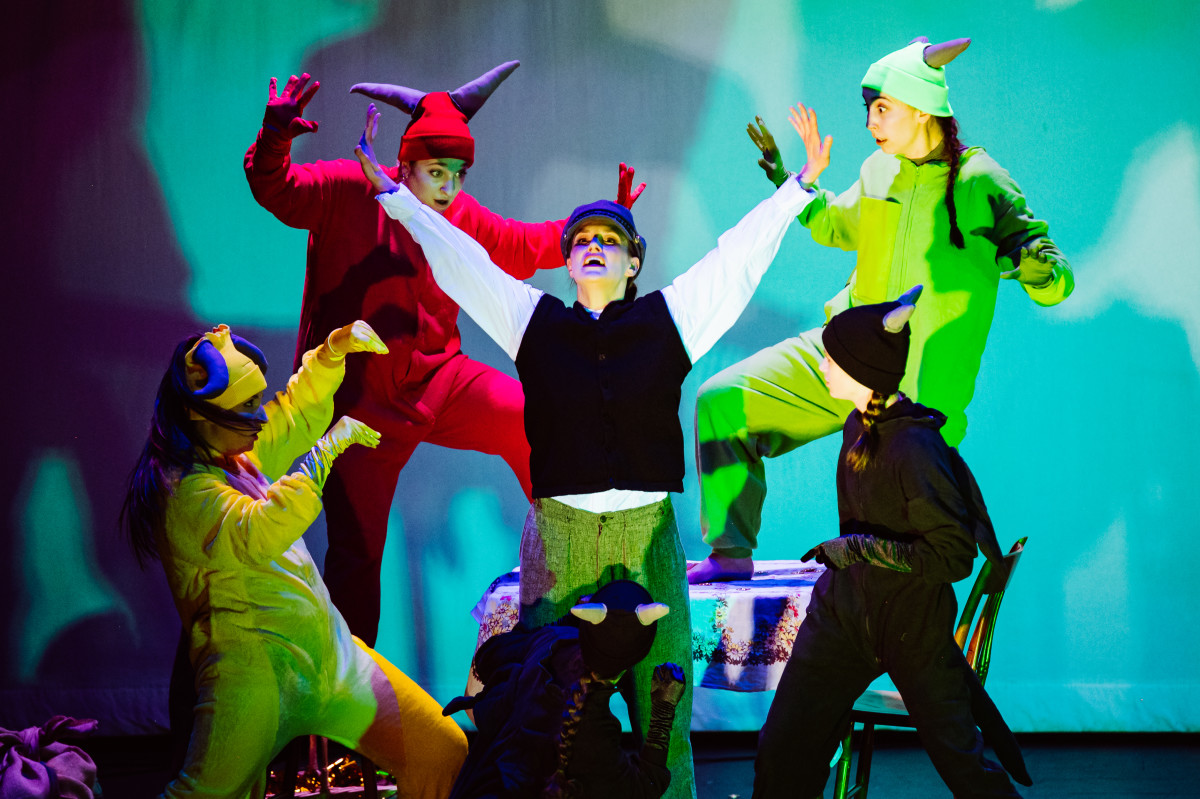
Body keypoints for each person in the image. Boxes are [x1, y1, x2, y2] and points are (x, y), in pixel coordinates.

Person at [354, 103, 827, 799]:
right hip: (561, 534)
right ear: (569, 262)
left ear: (634, 261)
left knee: (662, 701)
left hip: (646, 533)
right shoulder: (533, 321)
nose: (594, 246)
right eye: (580, 240)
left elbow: (735, 261)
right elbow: (463, 262)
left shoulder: (671, 318)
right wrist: (397, 198)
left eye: (610, 238)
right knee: (548, 710)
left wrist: (798, 187)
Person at [244, 62, 643, 644]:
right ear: (403, 166)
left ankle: (574, 561)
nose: (449, 189)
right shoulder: (351, 189)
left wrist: (605, 225)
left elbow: (523, 244)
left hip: (440, 382)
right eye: (436, 173)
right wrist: (276, 135)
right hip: (359, 410)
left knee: (534, 418)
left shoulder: (459, 215)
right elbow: (278, 189)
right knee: (356, 562)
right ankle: (348, 692)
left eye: (458, 174)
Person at [689, 36, 1075, 584]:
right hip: (842, 355)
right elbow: (834, 223)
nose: (870, 121)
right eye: (868, 108)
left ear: (922, 108)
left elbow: (1055, 278)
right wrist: (787, 180)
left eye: (882, 108)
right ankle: (730, 553)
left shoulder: (980, 180)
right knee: (723, 400)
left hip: (912, 392)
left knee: (890, 549)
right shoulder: (878, 169)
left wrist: (1036, 268)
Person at [120, 322, 467, 798]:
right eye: (245, 407)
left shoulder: (233, 456)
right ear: (200, 415)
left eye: (254, 402)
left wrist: (330, 354)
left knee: (440, 750)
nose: (258, 417)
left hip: (331, 657)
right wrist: (324, 453)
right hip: (254, 679)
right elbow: (259, 530)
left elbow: (291, 415)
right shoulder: (182, 491)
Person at [752, 289, 1031, 798]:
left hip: (910, 626)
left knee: (964, 767)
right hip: (843, 618)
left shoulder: (914, 447)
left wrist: (861, 549)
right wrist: (855, 560)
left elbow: (953, 557)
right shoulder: (856, 426)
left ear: (862, 369)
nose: (823, 365)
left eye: (832, 358)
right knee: (784, 749)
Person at [442, 580, 686, 798]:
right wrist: (663, 711)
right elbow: (643, 787)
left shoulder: (552, 641)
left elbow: (488, 658)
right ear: (637, 657)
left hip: (477, 784)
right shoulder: (595, 734)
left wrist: (567, 623)